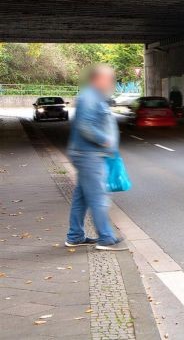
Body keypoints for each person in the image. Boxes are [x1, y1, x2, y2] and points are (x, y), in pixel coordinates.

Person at [65, 64, 127, 251]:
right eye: (109, 78)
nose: (111, 82)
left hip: (87, 153)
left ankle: (74, 236)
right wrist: (105, 141)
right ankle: (106, 238)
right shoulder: (89, 97)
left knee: (82, 197)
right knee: (99, 196)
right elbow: (85, 126)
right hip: (88, 154)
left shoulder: (95, 96)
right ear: (97, 78)